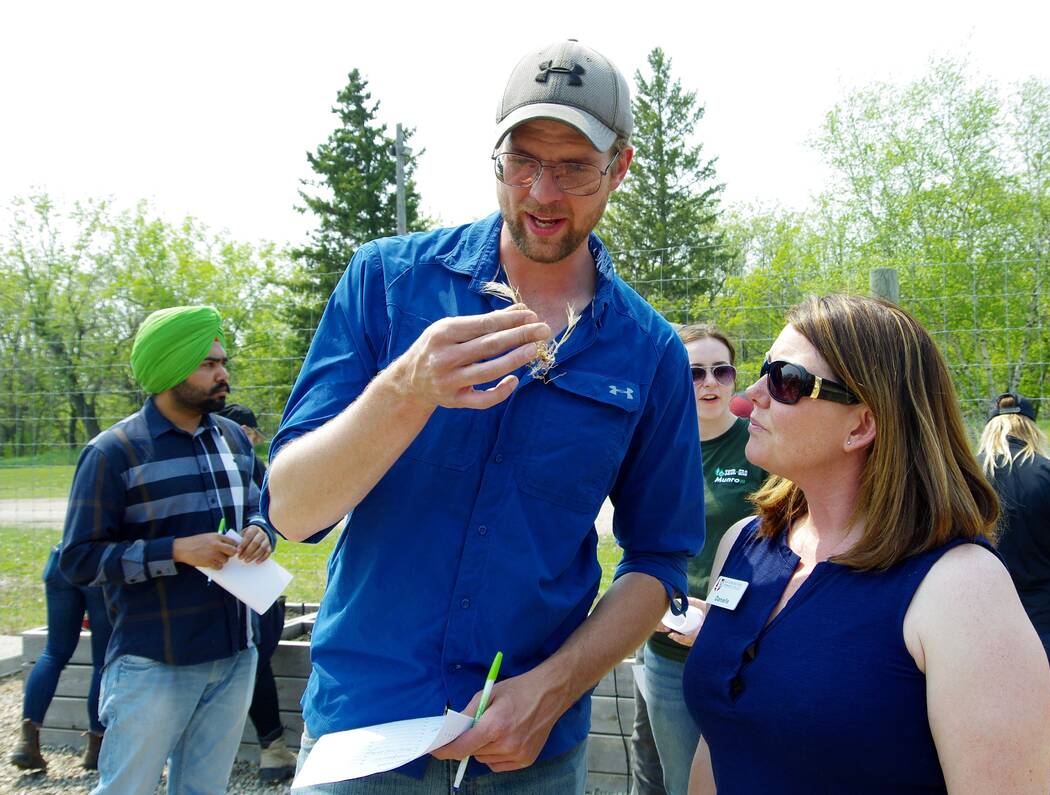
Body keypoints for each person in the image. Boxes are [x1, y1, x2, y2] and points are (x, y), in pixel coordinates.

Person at [264, 40, 705, 793]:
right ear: (494, 155)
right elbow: (293, 510)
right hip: (365, 733)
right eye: (524, 160)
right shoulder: (387, 284)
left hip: (529, 751)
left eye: (573, 166)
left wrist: (555, 689)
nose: (542, 191)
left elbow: (659, 562)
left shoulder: (650, 351)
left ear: (621, 168)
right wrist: (404, 388)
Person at [682, 295, 1050, 794]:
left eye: (786, 381)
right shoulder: (746, 544)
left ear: (861, 424)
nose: (750, 396)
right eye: (762, 371)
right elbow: (718, 744)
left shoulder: (961, 591)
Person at [59, 305, 277, 795]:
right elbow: (78, 560)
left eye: (222, 362)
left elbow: (265, 508)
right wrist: (176, 550)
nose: (223, 374)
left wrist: (264, 529)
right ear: (169, 370)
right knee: (126, 788)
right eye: (208, 364)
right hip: (155, 660)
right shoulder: (112, 453)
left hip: (236, 654)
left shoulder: (233, 441)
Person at [633, 324, 764, 795]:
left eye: (722, 371)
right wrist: (654, 611)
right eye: (694, 373)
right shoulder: (654, 449)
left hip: (748, 649)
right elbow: (638, 542)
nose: (710, 383)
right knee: (681, 781)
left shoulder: (762, 446)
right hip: (670, 648)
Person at [977, 392, 1050, 715]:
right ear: (1032, 428)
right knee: (1040, 729)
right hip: (1048, 620)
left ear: (989, 428)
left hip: (976, 619)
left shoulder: (961, 476)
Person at [216, 402, 297, 783]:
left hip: (247, 581)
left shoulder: (252, 466)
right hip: (215, 591)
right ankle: (271, 749)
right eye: (249, 431)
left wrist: (262, 530)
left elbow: (269, 514)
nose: (252, 439)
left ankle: (272, 750)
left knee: (254, 658)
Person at [9, 543, 113, 771]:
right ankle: (96, 747)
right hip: (99, 564)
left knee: (54, 652)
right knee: (102, 661)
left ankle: (27, 741)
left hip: (60, 558)